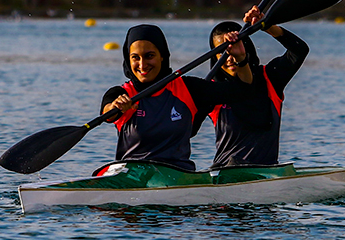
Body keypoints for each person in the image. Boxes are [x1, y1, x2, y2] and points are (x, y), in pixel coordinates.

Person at [99, 24, 243, 171]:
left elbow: (243, 89)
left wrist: (240, 57)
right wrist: (115, 108)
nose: (142, 65)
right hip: (132, 176)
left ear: (162, 56)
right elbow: (107, 114)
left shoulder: (188, 89)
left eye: (149, 56)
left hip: (177, 176)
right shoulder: (121, 94)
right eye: (135, 58)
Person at [206, 6, 309, 167]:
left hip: (266, 173)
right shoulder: (210, 89)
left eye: (234, 48)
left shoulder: (270, 78)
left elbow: (299, 50)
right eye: (224, 52)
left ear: (245, 47)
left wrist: (266, 25)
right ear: (215, 57)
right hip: (224, 173)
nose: (230, 57)